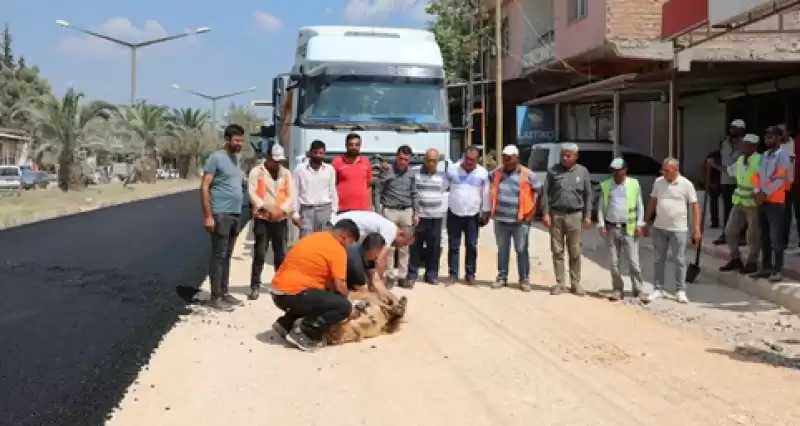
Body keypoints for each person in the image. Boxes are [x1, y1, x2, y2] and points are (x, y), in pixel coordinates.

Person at [269, 219, 361, 352]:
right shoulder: (337, 249)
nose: (349, 246)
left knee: (320, 296)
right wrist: (350, 305)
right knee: (343, 307)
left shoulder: (315, 237)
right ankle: (305, 332)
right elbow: (340, 285)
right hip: (293, 295)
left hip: (278, 292)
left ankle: (285, 324)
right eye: (350, 242)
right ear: (344, 236)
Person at [200, 124, 246, 311]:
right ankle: (215, 297)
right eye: (236, 140)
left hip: (235, 213)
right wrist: (208, 216)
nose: (239, 144)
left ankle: (224, 292)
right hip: (220, 213)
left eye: (241, 140)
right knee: (218, 255)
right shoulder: (215, 158)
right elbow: (204, 187)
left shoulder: (236, 159)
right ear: (227, 139)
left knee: (227, 255)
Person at [643, 158, 701, 304]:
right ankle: (658, 289)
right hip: (660, 227)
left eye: (667, 170)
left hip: (679, 229)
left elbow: (694, 206)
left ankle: (680, 290)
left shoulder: (686, 184)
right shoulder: (658, 182)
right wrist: (644, 221)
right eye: (663, 170)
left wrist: (696, 228)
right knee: (658, 259)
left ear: (676, 170)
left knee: (679, 260)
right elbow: (652, 201)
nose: (664, 172)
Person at [541, 143, 592, 296]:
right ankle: (560, 283)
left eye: (568, 155)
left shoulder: (583, 172)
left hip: (575, 215)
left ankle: (575, 283)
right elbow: (545, 193)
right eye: (563, 154)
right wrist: (545, 213)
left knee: (575, 251)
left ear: (576, 156)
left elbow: (588, 195)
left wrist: (588, 215)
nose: (565, 157)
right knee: (557, 250)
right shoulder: (553, 171)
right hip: (556, 214)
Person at [247, 143, 294, 301]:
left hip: (280, 218)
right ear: (268, 158)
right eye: (275, 160)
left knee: (280, 253)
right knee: (260, 252)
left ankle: (280, 285)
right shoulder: (256, 172)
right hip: (263, 218)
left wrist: (282, 210)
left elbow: (291, 195)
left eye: (280, 161)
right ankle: (255, 286)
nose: (277, 164)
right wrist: (265, 209)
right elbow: (253, 194)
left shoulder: (286, 174)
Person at [489, 145, 538, 291]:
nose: (506, 160)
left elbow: (538, 192)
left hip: (520, 221)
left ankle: (524, 280)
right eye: (504, 157)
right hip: (501, 220)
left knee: (522, 250)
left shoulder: (528, 174)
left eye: (509, 158)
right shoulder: (497, 173)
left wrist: (531, 213)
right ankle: (502, 277)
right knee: (502, 249)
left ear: (516, 158)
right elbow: (482, 179)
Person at [597, 158, 645, 301]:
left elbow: (639, 205)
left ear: (625, 170)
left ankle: (638, 289)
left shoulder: (634, 184)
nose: (616, 173)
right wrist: (601, 224)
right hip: (612, 227)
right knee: (614, 262)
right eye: (614, 170)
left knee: (633, 262)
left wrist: (640, 224)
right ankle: (617, 289)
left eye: (619, 170)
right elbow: (601, 207)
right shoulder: (606, 186)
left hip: (629, 227)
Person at [445, 146, 490, 285]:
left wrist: (486, 212)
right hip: (454, 213)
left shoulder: (482, 173)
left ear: (477, 159)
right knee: (454, 245)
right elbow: (443, 187)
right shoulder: (452, 170)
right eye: (467, 159)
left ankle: (470, 274)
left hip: (472, 215)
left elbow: (486, 194)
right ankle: (453, 274)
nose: (469, 162)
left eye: (473, 160)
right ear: (463, 156)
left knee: (471, 245)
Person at [718, 134, 761, 275]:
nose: (745, 146)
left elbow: (764, 178)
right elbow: (729, 171)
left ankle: (752, 262)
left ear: (754, 147)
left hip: (753, 203)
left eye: (748, 144)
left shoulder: (760, 160)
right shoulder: (741, 160)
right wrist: (714, 165)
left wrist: (760, 193)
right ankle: (736, 258)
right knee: (730, 231)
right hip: (739, 202)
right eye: (744, 144)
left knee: (753, 235)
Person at [753, 126, 791, 282]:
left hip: (775, 201)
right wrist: (757, 191)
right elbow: (757, 176)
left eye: (771, 137)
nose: (768, 139)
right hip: (762, 200)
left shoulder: (782, 156)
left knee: (776, 238)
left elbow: (781, 178)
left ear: (779, 138)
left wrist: (765, 193)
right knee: (765, 237)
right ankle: (766, 267)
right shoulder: (763, 156)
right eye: (767, 136)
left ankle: (777, 270)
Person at [377, 145, 417, 288]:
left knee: (404, 245)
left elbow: (414, 194)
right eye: (401, 158)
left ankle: (402, 276)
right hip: (390, 211)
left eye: (406, 160)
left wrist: (416, 213)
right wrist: (378, 210)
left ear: (410, 160)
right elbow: (379, 189)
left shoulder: (411, 174)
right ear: (396, 156)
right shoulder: (388, 170)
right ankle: (389, 276)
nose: (403, 162)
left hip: (406, 211)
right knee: (389, 245)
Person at [407, 148, 449, 285]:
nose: (431, 163)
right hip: (419, 217)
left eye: (434, 161)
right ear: (424, 160)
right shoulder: (415, 172)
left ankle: (431, 275)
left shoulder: (443, 174)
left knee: (434, 247)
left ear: (438, 161)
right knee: (415, 246)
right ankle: (412, 274)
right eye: (429, 160)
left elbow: (444, 190)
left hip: (436, 217)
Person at [292, 140, 338, 238]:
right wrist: (295, 213)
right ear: (310, 152)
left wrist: (334, 211)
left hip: (325, 209)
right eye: (315, 153)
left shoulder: (330, 170)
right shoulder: (300, 169)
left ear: (324, 154)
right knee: (306, 240)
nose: (318, 155)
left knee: (324, 240)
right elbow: (295, 191)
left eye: (321, 153)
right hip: (306, 210)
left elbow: (332, 191)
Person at [712, 119, 746, 245]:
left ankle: (741, 235)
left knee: (740, 210)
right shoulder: (725, 143)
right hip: (725, 180)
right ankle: (726, 234)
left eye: (735, 129)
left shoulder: (744, 145)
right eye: (732, 128)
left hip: (739, 182)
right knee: (727, 209)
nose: (733, 131)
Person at [332, 133, 373, 213]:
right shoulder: (336, 162)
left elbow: (369, 187)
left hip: (363, 210)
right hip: (342, 209)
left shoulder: (366, 162)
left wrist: (369, 207)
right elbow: (331, 186)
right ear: (346, 146)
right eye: (351, 144)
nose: (354, 147)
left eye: (357, 145)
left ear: (360, 146)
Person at [703, 146, 722, 228]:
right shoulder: (714, 155)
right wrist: (709, 182)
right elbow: (705, 166)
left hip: (727, 181)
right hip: (716, 180)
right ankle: (714, 221)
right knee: (713, 200)